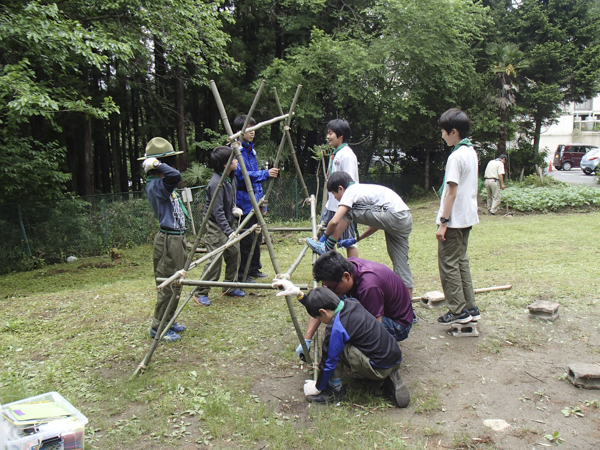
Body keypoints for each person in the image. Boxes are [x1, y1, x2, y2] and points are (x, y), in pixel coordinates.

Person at [271, 282, 410, 408]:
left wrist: (318, 387)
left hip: (378, 367)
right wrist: (299, 294)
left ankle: (335, 390)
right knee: (347, 341)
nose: (319, 320)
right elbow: (321, 305)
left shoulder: (337, 328)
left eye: (318, 318)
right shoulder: (350, 303)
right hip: (393, 355)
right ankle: (389, 375)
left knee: (336, 347)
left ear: (323, 312)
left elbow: (329, 362)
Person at [306, 172, 414, 297]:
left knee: (348, 211)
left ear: (341, 188)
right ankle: (408, 307)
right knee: (400, 262)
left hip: (392, 214)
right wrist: (355, 239)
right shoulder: (364, 191)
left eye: (335, 195)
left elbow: (335, 220)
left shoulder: (351, 191)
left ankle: (327, 246)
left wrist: (324, 238)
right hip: (403, 218)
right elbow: (377, 223)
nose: (336, 199)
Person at [295, 251, 415, 361]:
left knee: (346, 328)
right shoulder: (348, 267)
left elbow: (374, 329)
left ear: (346, 276)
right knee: (339, 318)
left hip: (398, 324)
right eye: (327, 287)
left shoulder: (368, 287)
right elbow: (321, 303)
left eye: (332, 287)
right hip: (381, 309)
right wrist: (307, 339)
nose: (330, 291)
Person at [435, 108, 480, 325]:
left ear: (454, 132)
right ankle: (470, 306)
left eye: (443, 131)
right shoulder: (471, 152)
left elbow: (451, 192)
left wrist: (443, 223)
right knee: (461, 261)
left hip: (454, 221)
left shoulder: (456, 156)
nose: (442, 136)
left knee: (448, 263)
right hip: (467, 217)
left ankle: (458, 311)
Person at [141, 137, 188, 342]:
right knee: (168, 283)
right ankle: (158, 327)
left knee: (177, 281)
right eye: (167, 161)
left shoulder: (162, 183)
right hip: (168, 240)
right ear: (158, 163)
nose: (173, 165)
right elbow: (175, 175)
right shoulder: (155, 186)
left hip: (177, 238)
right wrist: (157, 164)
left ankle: (169, 320)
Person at [193, 146, 245, 306]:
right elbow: (217, 212)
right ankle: (200, 291)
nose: (236, 161)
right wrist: (229, 232)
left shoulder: (231, 177)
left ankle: (229, 286)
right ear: (225, 164)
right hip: (215, 224)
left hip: (226, 221)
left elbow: (230, 200)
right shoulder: (216, 183)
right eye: (234, 159)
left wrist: (234, 208)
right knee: (214, 259)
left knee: (234, 252)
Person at [233, 115, 279, 283]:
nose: (252, 132)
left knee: (258, 236)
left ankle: (254, 268)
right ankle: (242, 274)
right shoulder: (235, 150)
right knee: (246, 239)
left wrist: (262, 203)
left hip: (255, 199)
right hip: (243, 201)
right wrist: (265, 174)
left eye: (254, 128)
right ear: (239, 131)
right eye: (249, 128)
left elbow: (255, 179)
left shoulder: (252, 150)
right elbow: (241, 177)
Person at [319, 119, 359, 257]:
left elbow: (350, 184)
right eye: (327, 133)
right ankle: (334, 268)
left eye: (331, 133)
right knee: (324, 236)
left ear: (340, 136)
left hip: (343, 206)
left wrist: (346, 207)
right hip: (331, 204)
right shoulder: (336, 154)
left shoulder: (347, 155)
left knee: (348, 241)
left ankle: (354, 270)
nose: (328, 136)